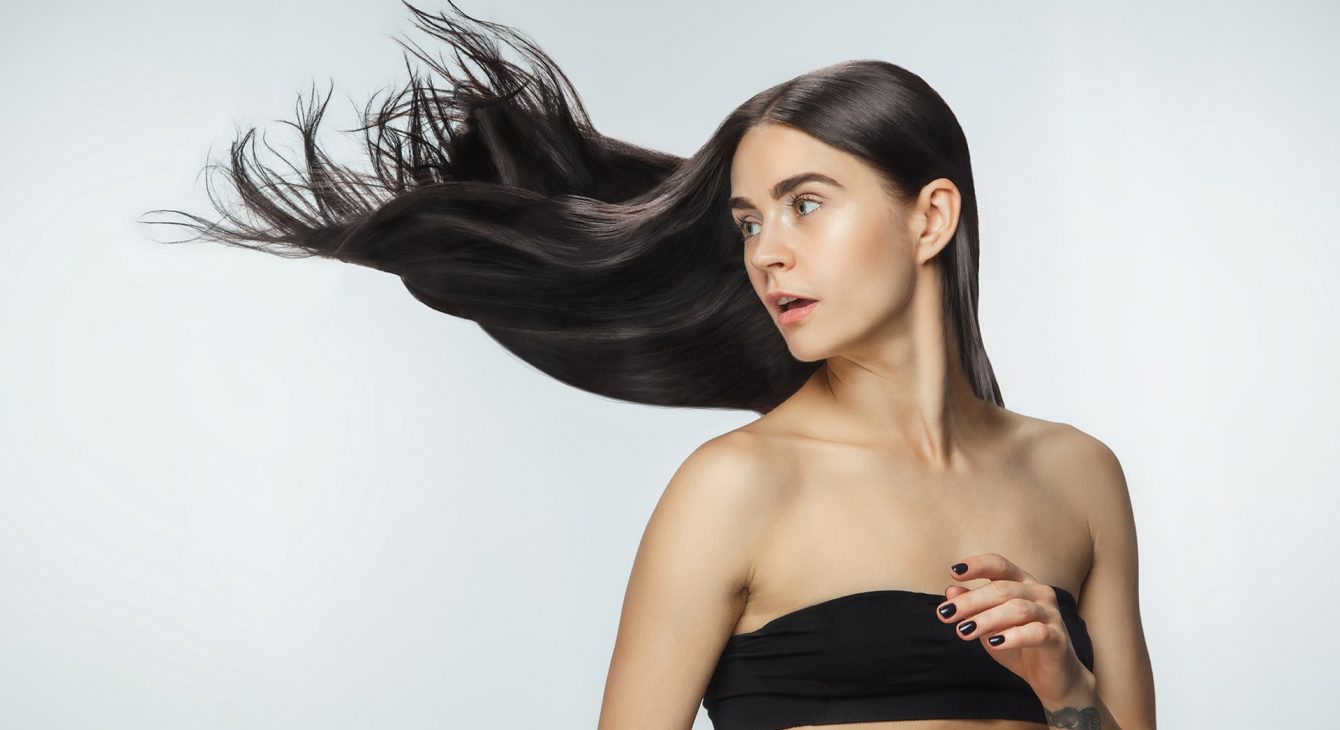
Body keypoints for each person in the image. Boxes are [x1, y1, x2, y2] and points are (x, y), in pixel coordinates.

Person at [142, 2, 1156, 728]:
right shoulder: (736, 486)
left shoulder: (1075, 476)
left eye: (805, 203)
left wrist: (1064, 692)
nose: (764, 250)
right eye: (749, 220)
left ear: (928, 215)